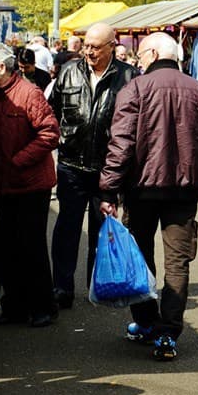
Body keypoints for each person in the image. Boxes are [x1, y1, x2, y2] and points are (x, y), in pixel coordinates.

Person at [99, 32, 198, 361]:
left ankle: (147, 322)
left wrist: (109, 188)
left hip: (141, 189)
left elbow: (121, 143)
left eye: (140, 55)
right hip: (184, 190)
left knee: (140, 256)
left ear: (152, 53)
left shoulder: (135, 88)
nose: (138, 60)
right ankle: (168, 331)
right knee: (177, 262)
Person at [49, 22, 136, 309]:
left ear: (113, 46)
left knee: (101, 230)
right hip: (71, 164)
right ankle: (62, 287)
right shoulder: (68, 71)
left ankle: (97, 286)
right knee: (67, 228)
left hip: (106, 168)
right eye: (86, 45)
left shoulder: (128, 77)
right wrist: (59, 139)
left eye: (95, 47)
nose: (89, 52)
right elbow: (52, 111)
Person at [0, 40, 60, 327]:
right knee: (8, 248)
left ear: (1, 66)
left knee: (31, 247)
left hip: (31, 186)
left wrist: (18, 161)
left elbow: (50, 134)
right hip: (3, 186)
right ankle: (15, 306)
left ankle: (43, 306)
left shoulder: (29, 93)